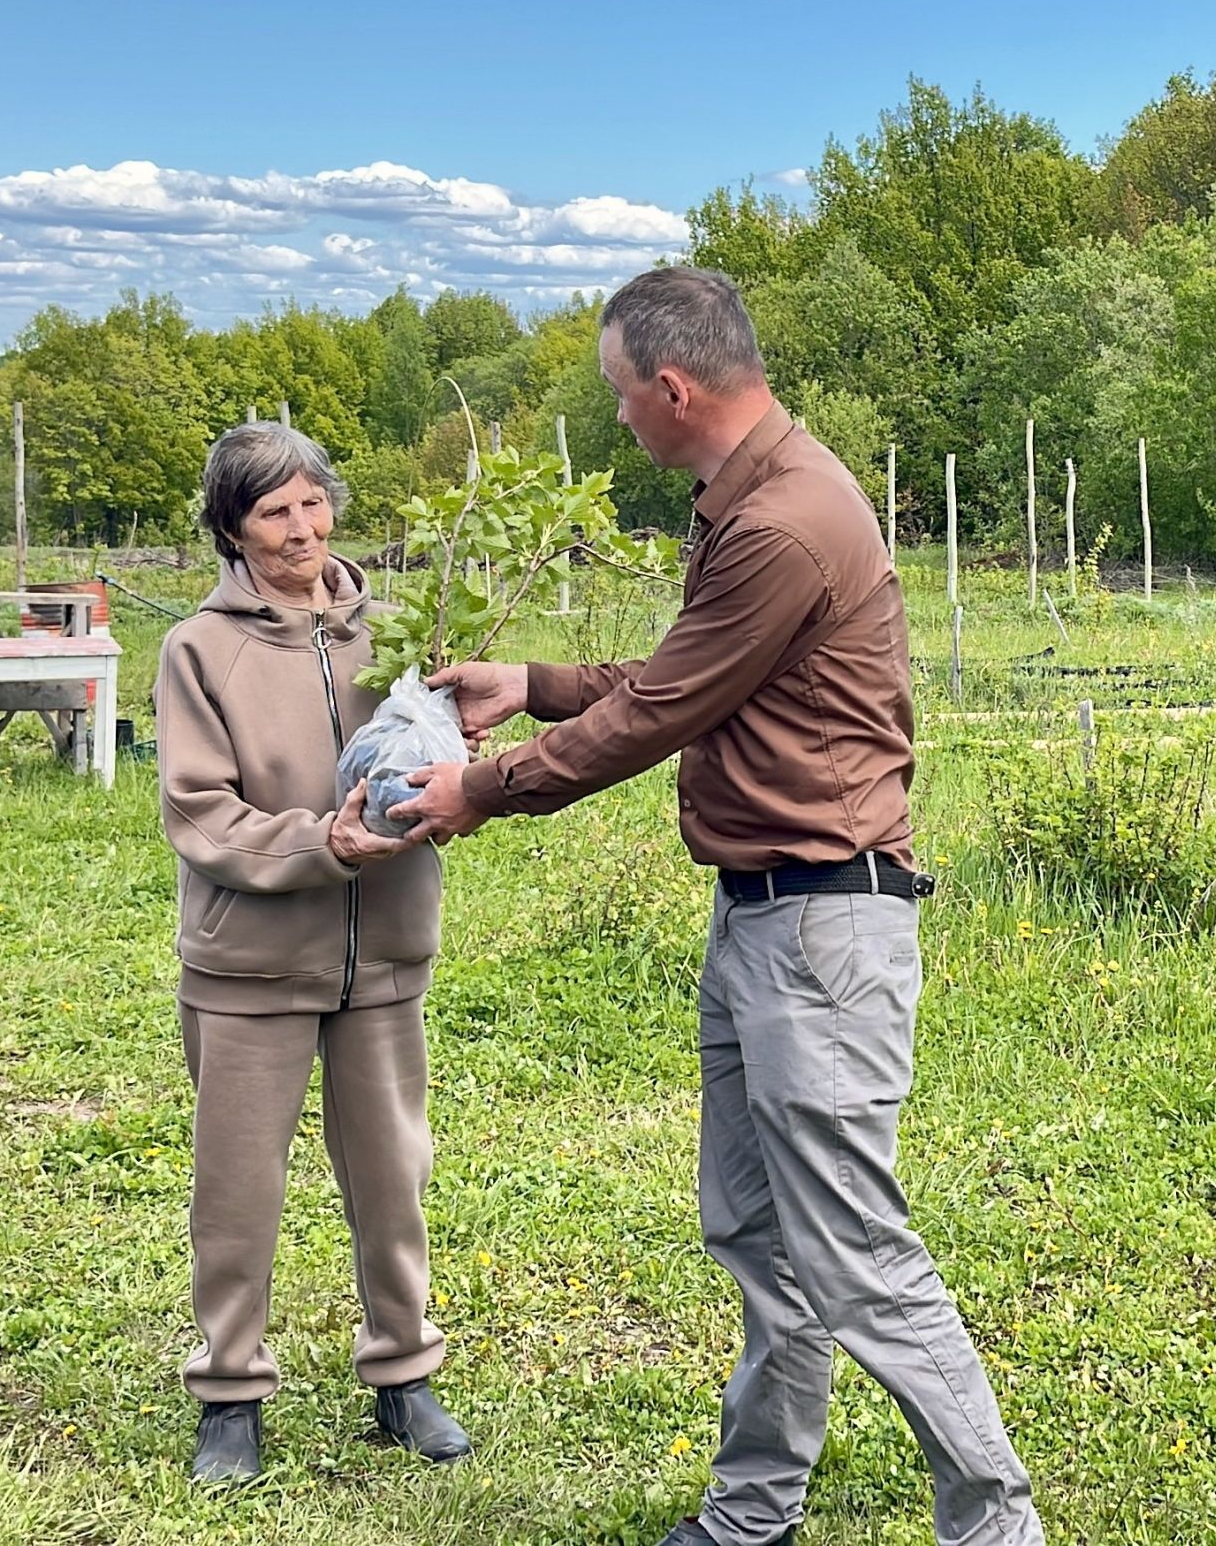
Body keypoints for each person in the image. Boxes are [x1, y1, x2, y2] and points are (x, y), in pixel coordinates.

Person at [392, 269, 1045, 1546]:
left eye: (621, 395)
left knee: (852, 1247)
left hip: (821, 933)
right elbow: (690, 675)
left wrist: (481, 789)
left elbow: (661, 714)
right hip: (766, 920)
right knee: (759, 1233)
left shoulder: (787, 521)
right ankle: (755, 1516)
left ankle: (997, 1525)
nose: (621, 418)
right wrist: (532, 681)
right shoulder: (751, 501)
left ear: (675, 389)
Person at [155, 422, 468, 1483]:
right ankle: (231, 1392)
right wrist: (314, 840)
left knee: (393, 1175)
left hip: (383, 949)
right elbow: (201, 810)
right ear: (233, 531)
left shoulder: (397, 627)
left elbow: (431, 749)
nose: (301, 530)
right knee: (236, 1186)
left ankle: (404, 1375)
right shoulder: (201, 649)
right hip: (249, 962)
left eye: (312, 504)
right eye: (272, 513)